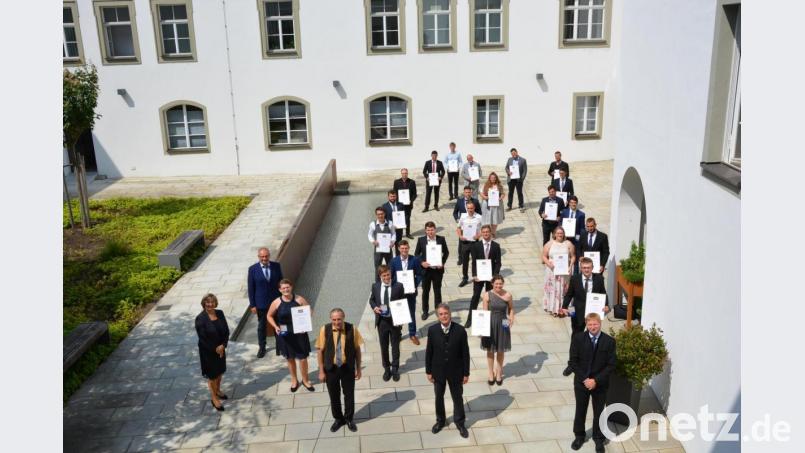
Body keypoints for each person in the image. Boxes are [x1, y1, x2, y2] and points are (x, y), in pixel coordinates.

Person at [565, 313, 616, 453]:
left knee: (599, 412)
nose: (593, 327)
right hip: (582, 382)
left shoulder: (609, 341)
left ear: (600, 324)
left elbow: (611, 365)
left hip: (600, 384)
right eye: (590, 324)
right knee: (580, 410)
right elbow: (573, 362)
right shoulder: (578, 338)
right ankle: (579, 436)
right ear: (586, 325)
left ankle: (598, 439)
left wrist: (595, 380)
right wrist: (585, 380)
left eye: (595, 324)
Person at [425, 303, 470, 439]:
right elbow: (429, 352)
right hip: (438, 371)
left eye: (446, 313)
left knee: (457, 398)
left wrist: (466, 373)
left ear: (450, 314)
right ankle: (440, 421)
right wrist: (428, 371)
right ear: (438, 316)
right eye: (441, 314)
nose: (444, 316)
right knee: (439, 397)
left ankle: (460, 422)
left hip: (456, 371)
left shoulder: (460, 330)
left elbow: (465, 354)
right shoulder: (432, 330)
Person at [316, 308, 363, 433]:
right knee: (334, 395)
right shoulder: (324, 330)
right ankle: (338, 419)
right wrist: (321, 371)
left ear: (344, 317)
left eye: (339, 319)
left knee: (349, 395)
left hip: (347, 368)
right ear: (331, 319)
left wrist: (358, 368)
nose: (337, 322)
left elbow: (357, 349)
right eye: (334, 319)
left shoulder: (352, 329)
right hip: (331, 369)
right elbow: (320, 351)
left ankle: (349, 419)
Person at [266, 279, 314, 393]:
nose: (286, 290)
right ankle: (294, 380)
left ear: (291, 287)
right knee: (290, 358)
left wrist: (305, 324)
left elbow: (310, 311)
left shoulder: (299, 299)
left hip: (299, 331)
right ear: (280, 290)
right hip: (284, 332)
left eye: (287, 287)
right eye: (283, 288)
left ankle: (305, 380)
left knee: (302, 358)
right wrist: (275, 327)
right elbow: (269, 316)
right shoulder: (276, 302)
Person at [369, 265, 406, 382]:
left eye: (388, 275)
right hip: (382, 322)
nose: (387, 277)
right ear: (380, 276)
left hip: (395, 322)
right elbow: (372, 300)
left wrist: (401, 319)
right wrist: (375, 307)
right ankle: (386, 368)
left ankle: (395, 368)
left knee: (395, 346)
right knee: (383, 346)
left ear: (391, 274)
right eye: (384, 275)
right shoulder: (375, 286)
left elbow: (402, 302)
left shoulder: (398, 286)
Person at [195, 293, 229, 411]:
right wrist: (216, 349)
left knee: (219, 372)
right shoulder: (200, 319)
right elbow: (203, 339)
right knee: (212, 376)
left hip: (221, 348)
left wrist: (223, 345)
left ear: (215, 303)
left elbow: (226, 331)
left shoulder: (220, 313)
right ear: (204, 303)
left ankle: (218, 390)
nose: (210, 304)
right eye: (207, 302)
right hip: (208, 352)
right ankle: (214, 398)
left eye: (212, 302)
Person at [247, 247, 283, 358]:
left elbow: (281, 283)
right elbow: (251, 288)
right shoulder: (253, 269)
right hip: (261, 303)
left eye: (266, 256)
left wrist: (283, 300)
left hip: (275, 302)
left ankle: (279, 347)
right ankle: (262, 347)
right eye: (262, 256)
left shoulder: (276, 266)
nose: (264, 258)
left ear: (269, 255)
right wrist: (253, 305)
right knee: (261, 326)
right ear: (258, 257)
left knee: (277, 324)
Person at [465, 225, 501, 328]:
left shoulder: (496, 246)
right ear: (481, 233)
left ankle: (490, 320)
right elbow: (474, 262)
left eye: (487, 232)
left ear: (490, 233)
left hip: (490, 277)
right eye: (484, 232)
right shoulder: (476, 246)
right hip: (479, 277)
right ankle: (470, 319)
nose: (485, 234)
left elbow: (498, 263)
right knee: (475, 297)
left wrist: (494, 276)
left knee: (490, 298)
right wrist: (474, 275)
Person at [480, 276, 514, 386]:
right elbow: (484, 312)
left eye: (500, 284)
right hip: (490, 322)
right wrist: (482, 329)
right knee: (490, 350)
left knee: (501, 349)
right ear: (492, 284)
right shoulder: (487, 295)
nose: (498, 286)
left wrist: (511, 319)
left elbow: (511, 308)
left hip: (503, 322)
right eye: (496, 284)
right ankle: (491, 373)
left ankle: (499, 373)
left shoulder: (508, 295)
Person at [561, 257, 609, 334]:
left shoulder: (599, 279)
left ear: (592, 268)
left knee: (593, 334)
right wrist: (564, 307)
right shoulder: (574, 279)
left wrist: (606, 305)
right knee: (576, 335)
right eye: (584, 268)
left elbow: (603, 293)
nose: (586, 270)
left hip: (593, 312)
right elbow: (569, 294)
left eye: (588, 268)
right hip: (577, 311)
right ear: (580, 268)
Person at [390, 240, 423, 345]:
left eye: (406, 248)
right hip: (398, 292)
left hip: (410, 291)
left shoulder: (415, 259)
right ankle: (398, 334)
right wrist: (395, 286)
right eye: (402, 248)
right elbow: (391, 276)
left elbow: (419, 274)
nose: (404, 250)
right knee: (398, 313)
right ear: (399, 249)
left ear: (408, 248)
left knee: (411, 313)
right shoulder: (394, 261)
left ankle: (412, 334)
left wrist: (414, 285)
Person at [415, 221, 449, 320]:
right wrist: (422, 263)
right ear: (425, 231)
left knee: (437, 291)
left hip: (437, 271)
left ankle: (439, 311)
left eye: (432, 230)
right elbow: (417, 254)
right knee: (425, 291)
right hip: (426, 271)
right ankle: (425, 311)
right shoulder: (421, 240)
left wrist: (442, 263)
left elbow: (446, 252)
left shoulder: (441, 239)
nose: (430, 232)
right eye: (428, 230)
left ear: (435, 230)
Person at [542, 226, 575, 316]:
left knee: (564, 289)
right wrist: (549, 264)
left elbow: (573, 256)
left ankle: (563, 308)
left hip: (565, 271)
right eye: (558, 233)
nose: (560, 235)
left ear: (564, 234)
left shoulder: (568, 244)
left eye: (561, 233)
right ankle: (553, 308)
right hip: (552, 270)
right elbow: (544, 256)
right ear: (554, 234)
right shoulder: (549, 244)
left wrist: (571, 266)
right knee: (554, 289)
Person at [452, 186, 481, 266]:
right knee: (461, 242)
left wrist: (477, 222)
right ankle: (461, 258)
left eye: (469, 192)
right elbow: (455, 212)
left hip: (474, 225)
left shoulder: (475, 201)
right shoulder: (459, 201)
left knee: (475, 242)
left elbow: (479, 212)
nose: (468, 194)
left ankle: (475, 257)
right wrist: (457, 220)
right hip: (463, 225)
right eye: (466, 192)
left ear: (471, 193)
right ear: (464, 193)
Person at [456, 201, 482, 287]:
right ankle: (465, 278)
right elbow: (459, 227)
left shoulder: (479, 217)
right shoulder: (463, 216)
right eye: (468, 208)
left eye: (471, 208)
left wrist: (478, 235)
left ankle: (475, 276)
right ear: (466, 208)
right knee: (465, 260)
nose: (470, 210)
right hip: (465, 242)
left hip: (475, 242)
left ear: (474, 208)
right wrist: (460, 236)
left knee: (475, 260)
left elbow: (484, 229)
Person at [367, 206, 396, 280]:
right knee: (377, 267)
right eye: (378, 214)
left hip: (388, 249)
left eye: (382, 214)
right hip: (378, 250)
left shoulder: (390, 223)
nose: (380, 215)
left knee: (390, 266)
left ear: (384, 214)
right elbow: (369, 235)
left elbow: (393, 234)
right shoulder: (372, 224)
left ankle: (391, 281)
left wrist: (393, 241)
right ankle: (377, 284)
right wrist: (373, 241)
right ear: (376, 215)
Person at [560, 196, 586, 272]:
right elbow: (560, 223)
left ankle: (575, 277)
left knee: (576, 257)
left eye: (575, 203)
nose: (573, 204)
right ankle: (564, 272)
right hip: (565, 239)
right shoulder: (564, 212)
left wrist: (578, 236)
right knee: (565, 256)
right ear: (569, 203)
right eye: (571, 202)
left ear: (577, 203)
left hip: (575, 240)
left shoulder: (581, 214)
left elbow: (582, 228)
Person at [393, 168, 418, 239]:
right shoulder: (396, 182)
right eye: (403, 173)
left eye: (406, 173)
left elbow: (415, 194)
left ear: (407, 174)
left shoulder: (412, 182)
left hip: (408, 205)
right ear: (401, 174)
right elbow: (394, 192)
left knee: (407, 219)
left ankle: (407, 233)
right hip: (399, 205)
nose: (404, 174)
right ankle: (399, 234)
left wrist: (411, 200)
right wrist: (396, 201)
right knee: (399, 219)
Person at [480, 172, 506, 237]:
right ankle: (487, 232)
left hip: (496, 205)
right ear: (489, 178)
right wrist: (485, 197)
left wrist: (500, 198)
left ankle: (493, 232)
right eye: (491, 177)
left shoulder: (499, 186)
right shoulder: (485, 185)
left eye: (494, 177)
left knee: (495, 219)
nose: (493, 179)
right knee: (487, 219)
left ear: (496, 178)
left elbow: (503, 193)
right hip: (487, 205)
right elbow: (481, 193)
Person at [381, 190, 406, 254]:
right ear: (388, 197)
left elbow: (403, 215)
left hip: (399, 229)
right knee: (389, 245)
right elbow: (383, 218)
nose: (392, 198)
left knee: (398, 244)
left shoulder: (401, 205)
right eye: (391, 196)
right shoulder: (384, 206)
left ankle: (398, 257)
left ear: (396, 196)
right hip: (389, 229)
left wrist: (403, 223)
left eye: (394, 196)